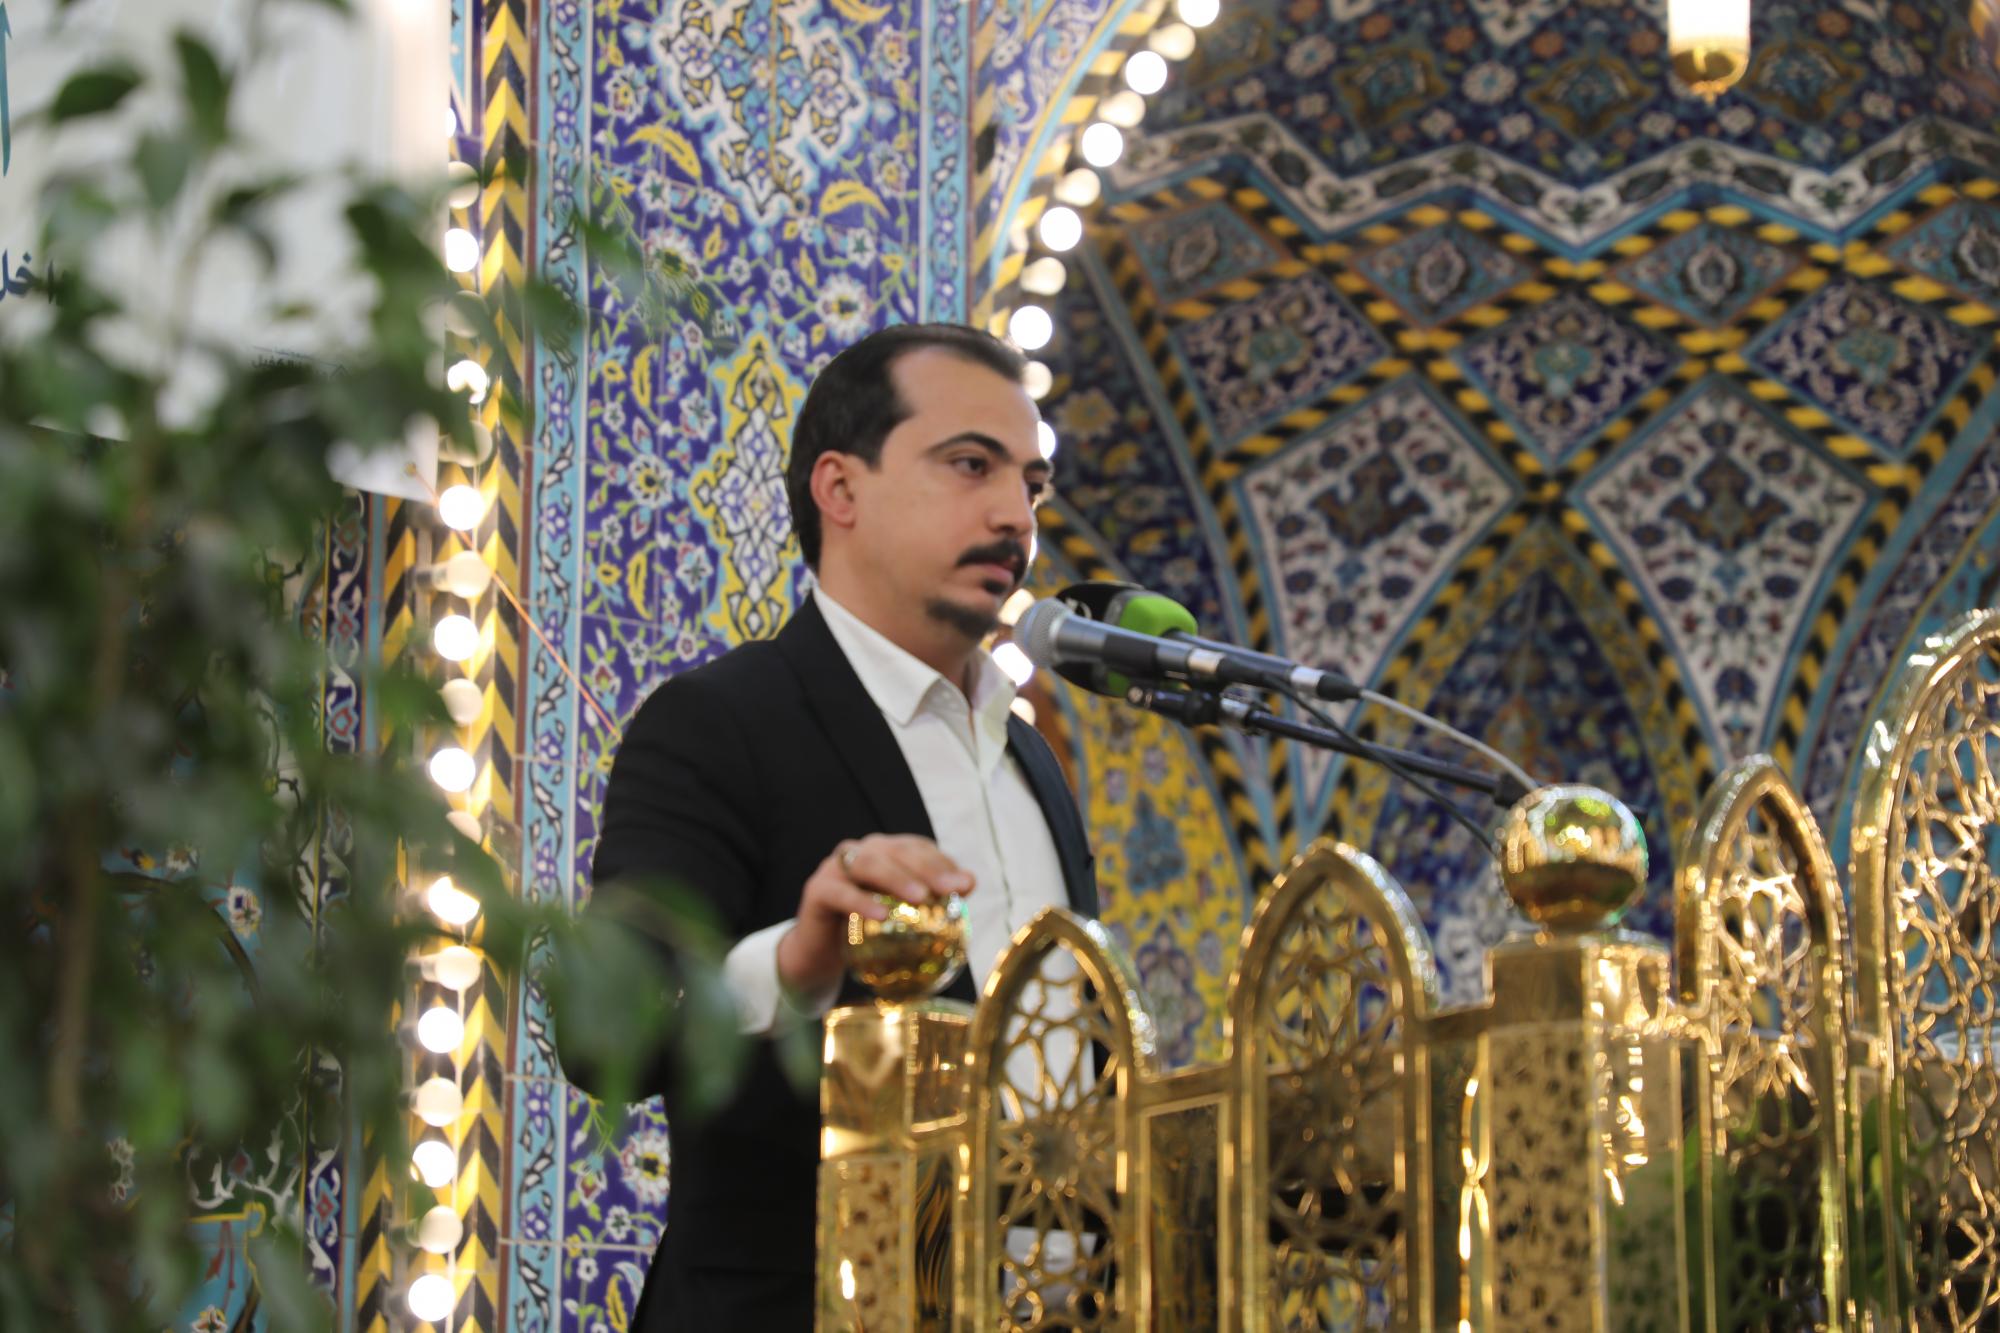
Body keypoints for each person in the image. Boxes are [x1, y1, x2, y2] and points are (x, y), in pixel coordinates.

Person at [558, 322, 1098, 1330]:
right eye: (970, 465)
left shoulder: (1033, 762)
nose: (1013, 515)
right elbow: (601, 1031)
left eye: (1031, 485)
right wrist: (796, 962)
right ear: (839, 489)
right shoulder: (720, 723)